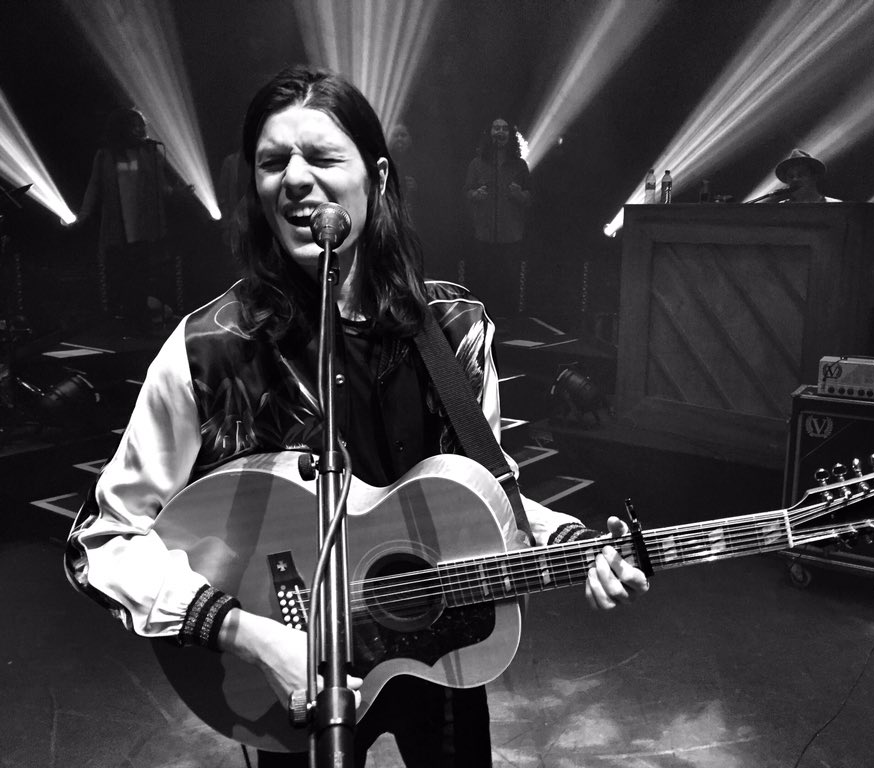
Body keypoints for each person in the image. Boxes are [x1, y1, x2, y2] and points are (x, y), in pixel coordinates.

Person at [64, 65, 648, 768]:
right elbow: (102, 541)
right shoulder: (208, 349)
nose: (295, 179)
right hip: (290, 676)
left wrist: (575, 545)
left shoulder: (455, 331)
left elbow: (491, 501)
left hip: (441, 654)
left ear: (377, 177)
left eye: (322, 157)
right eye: (272, 163)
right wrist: (247, 633)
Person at [77, 107, 188, 331]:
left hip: (145, 227)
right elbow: (94, 187)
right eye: (134, 125)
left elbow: (163, 188)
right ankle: (130, 321)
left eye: (141, 125)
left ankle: (139, 323)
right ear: (121, 128)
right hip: (118, 229)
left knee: (141, 276)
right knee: (123, 276)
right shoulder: (105, 155)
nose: (139, 130)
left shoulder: (151, 153)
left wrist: (178, 193)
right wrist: (82, 216)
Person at [463, 117, 532, 317]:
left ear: (510, 135)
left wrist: (519, 194)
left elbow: (531, 198)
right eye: (496, 128)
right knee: (484, 279)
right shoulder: (477, 164)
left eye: (504, 129)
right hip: (484, 234)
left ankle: (507, 319)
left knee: (508, 281)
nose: (500, 132)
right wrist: (475, 195)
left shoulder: (519, 165)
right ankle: (483, 319)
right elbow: (466, 192)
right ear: (490, 133)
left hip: (511, 235)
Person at [772, 148, 842, 203]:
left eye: (800, 174)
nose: (795, 179)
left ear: (814, 177)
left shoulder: (835, 207)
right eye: (791, 177)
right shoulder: (781, 209)